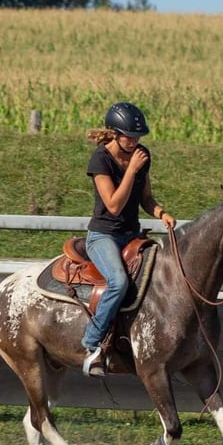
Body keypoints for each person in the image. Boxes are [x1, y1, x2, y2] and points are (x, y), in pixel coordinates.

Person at [81, 102, 176, 377]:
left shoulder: (142, 155)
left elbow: (145, 198)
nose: (134, 142)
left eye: (137, 137)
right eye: (128, 136)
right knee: (119, 282)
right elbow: (113, 205)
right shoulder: (100, 160)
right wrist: (131, 170)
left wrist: (161, 213)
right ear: (114, 133)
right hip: (104, 236)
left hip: (131, 235)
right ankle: (92, 341)